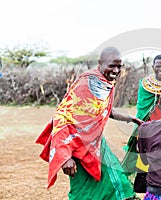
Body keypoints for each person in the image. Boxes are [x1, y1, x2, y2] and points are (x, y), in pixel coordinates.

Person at [35, 46, 143, 200]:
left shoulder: (105, 83)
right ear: (100, 63)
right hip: (76, 147)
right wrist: (65, 157)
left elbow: (105, 109)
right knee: (83, 189)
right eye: (112, 65)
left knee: (118, 181)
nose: (116, 70)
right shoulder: (87, 84)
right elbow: (63, 117)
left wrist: (130, 118)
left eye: (120, 66)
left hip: (97, 144)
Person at [122, 55, 161, 181]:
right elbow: (142, 106)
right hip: (150, 123)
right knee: (146, 153)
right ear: (153, 67)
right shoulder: (144, 84)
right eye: (158, 65)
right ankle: (144, 180)